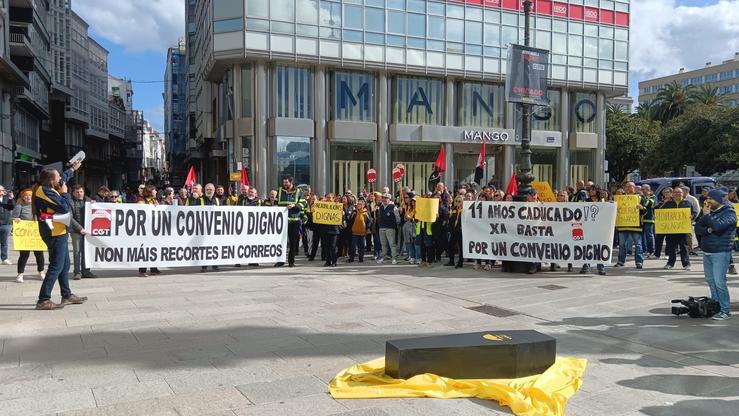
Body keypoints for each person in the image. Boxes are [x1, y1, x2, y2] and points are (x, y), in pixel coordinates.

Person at [32, 162, 87, 310]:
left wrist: (72, 169)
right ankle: (43, 299)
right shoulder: (44, 191)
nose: (60, 180)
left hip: (59, 231)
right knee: (56, 266)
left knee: (64, 265)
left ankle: (66, 295)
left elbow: (62, 178)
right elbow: (63, 207)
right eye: (57, 177)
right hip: (53, 233)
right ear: (51, 180)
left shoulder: (49, 187)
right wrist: (64, 193)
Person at [695, 188, 737, 321]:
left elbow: (718, 228)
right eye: (708, 199)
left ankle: (726, 310)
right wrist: (708, 229)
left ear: (718, 200)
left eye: (711, 199)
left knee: (719, 282)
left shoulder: (729, 213)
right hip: (707, 252)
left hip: (720, 252)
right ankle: (716, 306)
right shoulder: (709, 212)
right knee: (711, 281)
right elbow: (697, 228)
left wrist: (707, 218)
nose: (708, 201)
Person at [11, 190, 45, 283]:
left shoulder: (37, 206)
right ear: (22, 197)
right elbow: (12, 218)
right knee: (24, 255)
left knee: (39, 255)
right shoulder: (19, 206)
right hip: (25, 235)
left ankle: (41, 271)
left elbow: (43, 216)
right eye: (26, 196)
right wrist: (16, 219)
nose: (28, 197)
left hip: (36, 235)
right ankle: (20, 274)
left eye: (30, 195)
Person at [661, 187, 694, 271]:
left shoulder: (687, 203)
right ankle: (670, 263)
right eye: (675, 192)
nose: (677, 194)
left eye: (679, 192)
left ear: (682, 194)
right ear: (673, 194)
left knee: (684, 247)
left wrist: (692, 216)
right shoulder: (668, 204)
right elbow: (661, 213)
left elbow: (694, 212)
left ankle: (686, 264)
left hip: (683, 229)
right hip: (671, 230)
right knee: (671, 247)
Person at [615, 182, 646, 269]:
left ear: (634, 187)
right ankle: (620, 261)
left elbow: (645, 211)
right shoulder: (620, 198)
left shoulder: (640, 197)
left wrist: (642, 208)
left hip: (636, 226)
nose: (628, 188)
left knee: (638, 245)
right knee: (622, 245)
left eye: (630, 186)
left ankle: (639, 262)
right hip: (623, 225)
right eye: (626, 186)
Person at [277, 176, 306, 267]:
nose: (284, 184)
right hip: (282, 221)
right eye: (283, 182)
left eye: (286, 182)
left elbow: (303, 204)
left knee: (293, 243)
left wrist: (294, 205)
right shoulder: (280, 191)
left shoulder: (298, 191)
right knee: (280, 242)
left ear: (291, 182)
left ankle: (291, 261)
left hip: (294, 221)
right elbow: (276, 203)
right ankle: (280, 261)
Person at [69, 185, 96, 280]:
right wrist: (80, 228)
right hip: (77, 231)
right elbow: (70, 218)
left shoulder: (89, 201)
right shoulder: (70, 202)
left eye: (81, 191)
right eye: (77, 192)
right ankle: (77, 272)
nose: (79, 193)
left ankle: (86, 271)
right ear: (73, 193)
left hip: (88, 231)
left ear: (84, 192)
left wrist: (95, 205)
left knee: (87, 252)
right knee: (77, 252)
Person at [137, 185, 162, 277]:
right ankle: (142, 270)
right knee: (144, 249)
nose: (156, 192)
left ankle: (153, 268)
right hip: (144, 230)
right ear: (150, 192)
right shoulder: (141, 201)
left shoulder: (154, 201)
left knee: (154, 249)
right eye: (155, 190)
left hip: (154, 230)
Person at [377, 193, 400, 265]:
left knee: (392, 244)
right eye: (383, 198)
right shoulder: (381, 207)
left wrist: (396, 226)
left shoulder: (393, 207)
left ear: (389, 199)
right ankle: (383, 257)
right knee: (383, 244)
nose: (384, 199)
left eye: (386, 198)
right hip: (382, 227)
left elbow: (397, 218)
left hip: (390, 228)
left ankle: (394, 258)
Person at [653, 187, 672, 260]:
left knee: (669, 240)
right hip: (661, 223)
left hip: (669, 223)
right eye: (664, 193)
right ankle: (657, 254)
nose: (666, 194)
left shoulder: (673, 201)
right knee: (658, 239)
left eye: (667, 192)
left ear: (671, 193)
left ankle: (667, 254)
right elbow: (656, 208)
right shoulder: (661, 201)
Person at [447, 195, 464, 268]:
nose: (458, 202)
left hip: (461, 230)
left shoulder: (464, 209)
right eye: (456, 201)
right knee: (451, 245)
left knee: (461, 247)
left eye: (459, 201)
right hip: (453, 230)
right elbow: (450, 219)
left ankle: (460, 262)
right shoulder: (454, 208)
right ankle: (451, 261)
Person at [0, 184, 15, 265]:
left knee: (4, 242)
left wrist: (11, 198)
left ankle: (4, 258)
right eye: (1, 190)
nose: (2, 191)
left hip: (5, 223)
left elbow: (12, 207)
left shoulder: (6, 199)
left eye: (2, 190)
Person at [401, 194, 417, 264]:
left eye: (414, 201)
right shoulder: (409, 208)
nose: (413, 203)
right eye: (412, 201)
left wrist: (410, 218)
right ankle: (410, 255)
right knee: (408, 241)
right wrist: (406, 216)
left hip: (414, 226)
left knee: (414, 241)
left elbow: (416, 218)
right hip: (407, 225)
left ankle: (415, 256)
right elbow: (405, 216)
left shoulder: (418, 209)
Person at [641, 184, 656, 258]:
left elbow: (647, 204)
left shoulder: (653, 197)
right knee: (641, 236)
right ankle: (643, 250)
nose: (642, 191)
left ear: (648, 190)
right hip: (641, 219)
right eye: (642, 189)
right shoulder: (641, 197)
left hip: (649, 219)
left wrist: (644, 199)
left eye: (643, 189)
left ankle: (651, 251)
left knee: (649, 235)